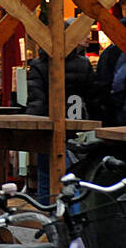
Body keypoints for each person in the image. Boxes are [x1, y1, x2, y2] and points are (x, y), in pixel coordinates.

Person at [25, 23, 97, 200]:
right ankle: (75, 221)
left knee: (45, 179)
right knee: (75, 181)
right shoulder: (84, 64)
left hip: (47, 131)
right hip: (78, 129)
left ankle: (49, 221)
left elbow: (37, 103)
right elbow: (95, 99)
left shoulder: (38, 65)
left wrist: (33, 131)